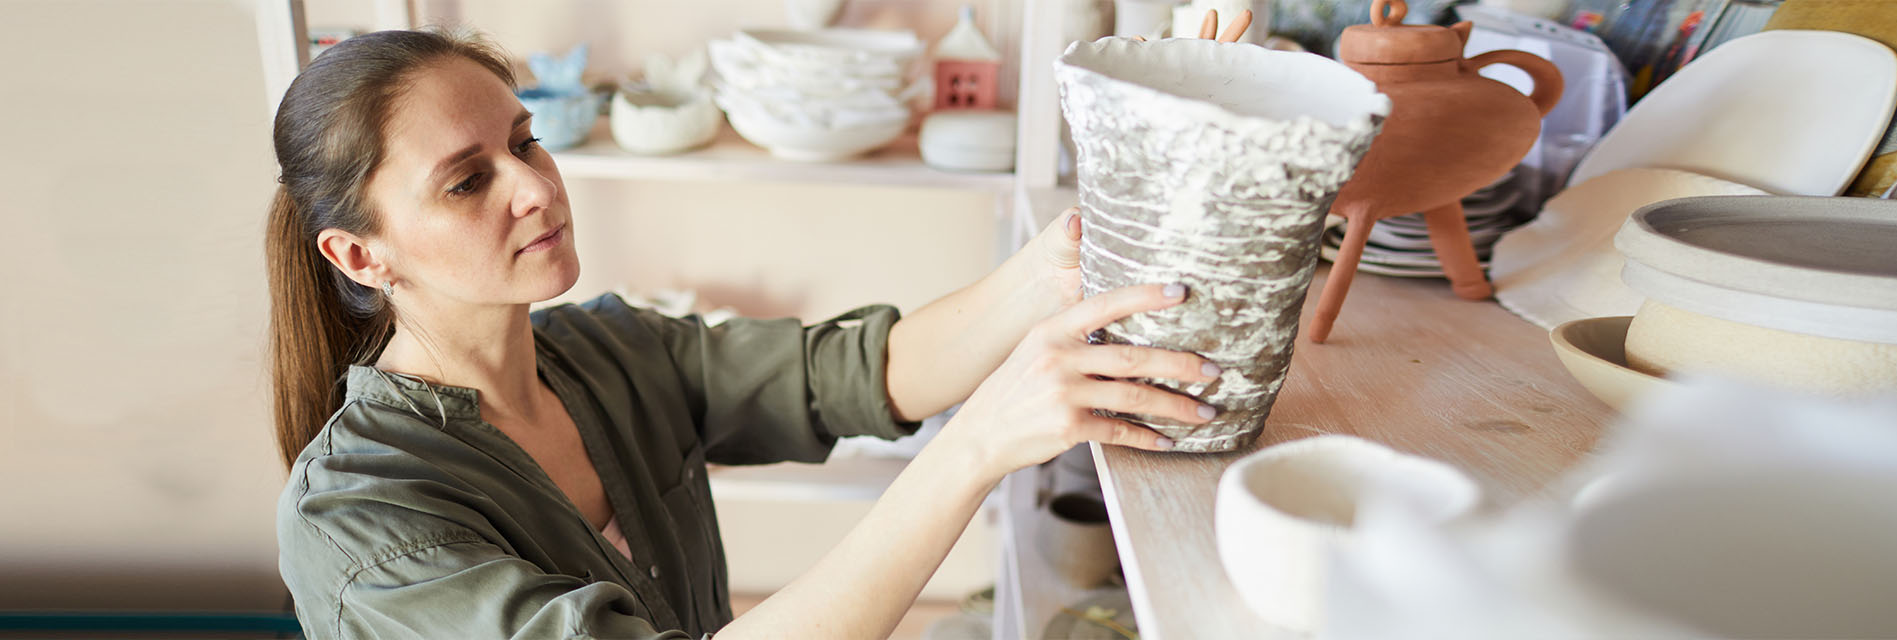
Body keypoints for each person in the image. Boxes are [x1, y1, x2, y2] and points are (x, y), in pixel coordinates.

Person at [268, 30, 1219, 640]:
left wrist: (1065, 258)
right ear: (360, 256)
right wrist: (975, 446)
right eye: (467, 181)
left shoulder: (606, 355)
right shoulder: (359, 525)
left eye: (524, 141)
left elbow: (852, 373)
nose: (535, 186)